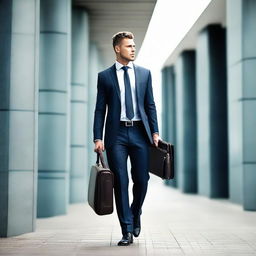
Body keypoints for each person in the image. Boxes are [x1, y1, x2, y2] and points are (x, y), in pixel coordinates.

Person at [93, 31, 159, 246]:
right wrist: (97, 137)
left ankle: (135, 211)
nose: (133, 49)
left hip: (140, 133)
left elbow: (150, 105)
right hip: (116, 135)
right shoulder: (105, 76)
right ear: (117, 48)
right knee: (120, 182)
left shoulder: (144, 74)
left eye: (134, 45)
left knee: (142, 179)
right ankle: (127, 230)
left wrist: (155, 132)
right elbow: (99, 109)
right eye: (128, 45)